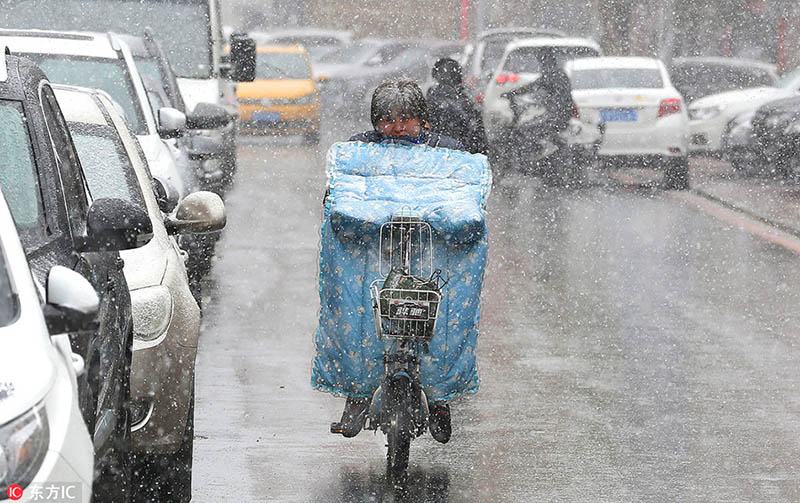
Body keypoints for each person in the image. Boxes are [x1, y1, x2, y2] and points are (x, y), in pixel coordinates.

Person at [331, 80, 467, 444]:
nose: (397, 127)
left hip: (430, 251)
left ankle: (440, 401)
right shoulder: (359, 149)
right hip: (376, 251)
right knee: (362, 316)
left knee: (443, 321)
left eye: (405, 119)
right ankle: (358, 396)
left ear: (423, 120)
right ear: (375, 122)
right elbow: (342, 189)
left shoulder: (447, 152)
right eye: (387, 120)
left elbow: (464, 193)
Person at [426, 58, 488, 154]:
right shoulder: (468, 98)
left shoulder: (433, 99)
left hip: (439, 154)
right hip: (465, 153)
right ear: (459, 77)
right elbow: (479, 135)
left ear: (436, 77)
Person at [507, 47, 573, 133]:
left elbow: (533, 86)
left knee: (526, 129)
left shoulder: (552, 75)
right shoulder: (557, 73)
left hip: (557, 115)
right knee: (531, 125)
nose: (541, 64)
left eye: (541, 60)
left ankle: (546, 145)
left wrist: (513, 92)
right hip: (560, 113)